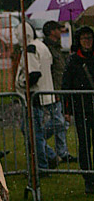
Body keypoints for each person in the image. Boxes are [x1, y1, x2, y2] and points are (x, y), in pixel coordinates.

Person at [16, 22, 58, 172]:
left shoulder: (31, 49)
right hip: (44, 94)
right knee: (32, 131)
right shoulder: (41, 46)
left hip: (34, 97)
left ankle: (43, 164)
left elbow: (34, 74)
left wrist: (22, 82)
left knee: (34, 133)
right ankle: (48, 156)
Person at [62, 25, 94, 195]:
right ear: (79, 41)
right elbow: (66, 86)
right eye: (84, 39)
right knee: (84, 145)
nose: (87, 42)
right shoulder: (73, 61)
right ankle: (88, 178)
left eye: (90, 38)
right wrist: (66, 110)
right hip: (82, 109)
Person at [42, 20, 75, 164]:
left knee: (63, 122)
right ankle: (37, 137)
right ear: (51, 32)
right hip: (53, 89)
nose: (60, 31)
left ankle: (62, 152)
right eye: (57, 28)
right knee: (59, 121)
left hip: (60, 88)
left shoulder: (57, 47)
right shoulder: (47, 49)